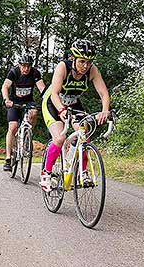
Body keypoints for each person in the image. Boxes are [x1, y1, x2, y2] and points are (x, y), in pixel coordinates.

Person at [40, 39, 110, 191]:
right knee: (59, 138)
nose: (85, 66)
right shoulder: (63, 67)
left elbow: (104, 93)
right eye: (82, 62)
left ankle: (80, 170)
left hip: (73, 103)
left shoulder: (92, 70)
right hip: (53, 102)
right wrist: (61, 110)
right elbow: (54, 93)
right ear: (73, 59)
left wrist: (105, 110)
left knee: (84, 135)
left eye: (89, 62)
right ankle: (46, 173)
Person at [1, 54, 45, 171]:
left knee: (34, 112)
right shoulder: (13, 72)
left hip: (28, 101)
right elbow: (5, 86)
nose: (26, 69)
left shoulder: (35, 73)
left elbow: (42, 89)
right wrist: (6, 100)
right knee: (13, 127)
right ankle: (8, 159)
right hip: (14, 102)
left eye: (28, 66)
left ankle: (28, 135)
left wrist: (47, 100)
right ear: (19, 65)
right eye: (23, 66)